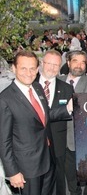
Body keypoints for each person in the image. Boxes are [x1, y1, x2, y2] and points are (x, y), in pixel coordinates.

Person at [0, 51, 72, 195]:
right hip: (27, 168)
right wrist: (12, 172)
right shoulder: (5, 99)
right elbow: (4, 141)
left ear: (37, 69)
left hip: (47, 160)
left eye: (32, 68)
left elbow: (44, 117)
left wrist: (68, 109)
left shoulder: (37, 88)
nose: (28, 73)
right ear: (14, 69)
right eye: (23, 68)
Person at [59, 50, 87, 195]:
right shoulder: (58, 81)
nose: (79, 65)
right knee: (69, 172)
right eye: (75, 61)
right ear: (68, 63)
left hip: (84, 134)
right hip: (62, 135)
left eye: (83, 62)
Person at [37, 50, 74, 195]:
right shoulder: (30, 85)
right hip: (34, 142)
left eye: (56, 65)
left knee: (59, 181)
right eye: (49, 64)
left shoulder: (67, 88)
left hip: (58, 143)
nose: (52, 68)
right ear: (42, 64)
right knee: (36, 182)